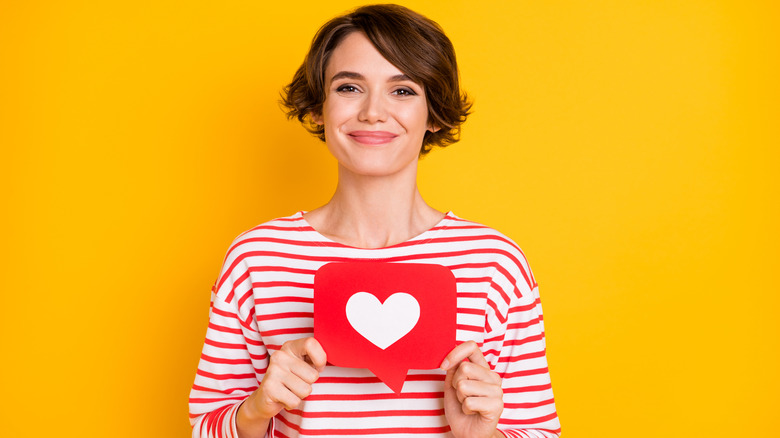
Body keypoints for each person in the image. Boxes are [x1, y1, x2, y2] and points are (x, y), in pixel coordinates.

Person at [189, 4, 560, 438]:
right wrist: (256, 410)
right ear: (317, 109)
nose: (372, 112)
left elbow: (538, 431)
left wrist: (479, 435)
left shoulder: (496, 263)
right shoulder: (257, 257)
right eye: (349, 87)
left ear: (435, 114)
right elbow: (205, 428)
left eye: (402, 91)